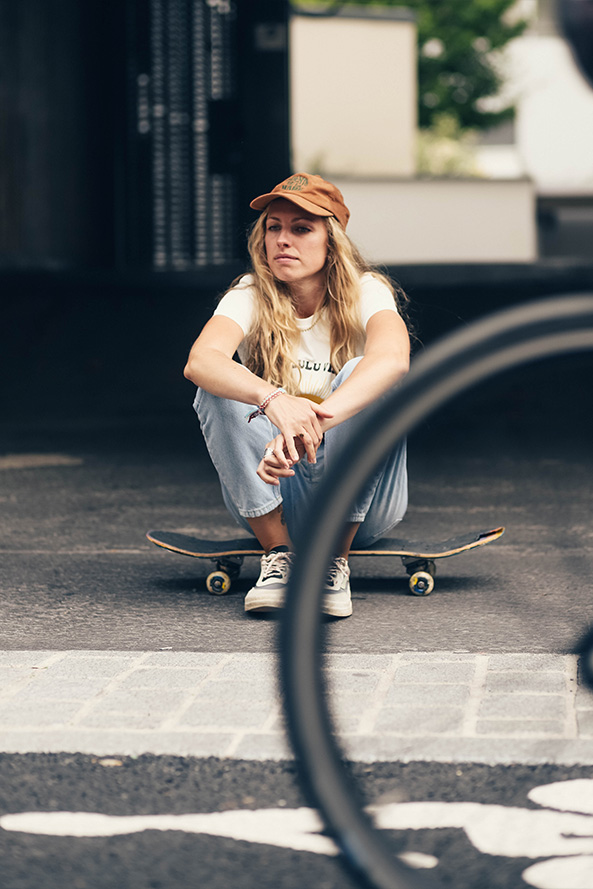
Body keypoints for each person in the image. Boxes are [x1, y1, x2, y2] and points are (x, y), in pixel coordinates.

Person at [184, 172, 410, 618]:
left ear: (333, 242)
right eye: (274, 227)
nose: (283, 240)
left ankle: (332, 561)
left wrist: (309, 425)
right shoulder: (249, 293)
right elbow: (200, 361)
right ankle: (280, 556)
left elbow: (394, 360)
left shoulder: (367, 291)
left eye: (301, 228)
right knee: (219, 386)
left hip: (364, 504)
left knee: (363, 374)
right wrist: (273, 401)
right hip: (273, 493)